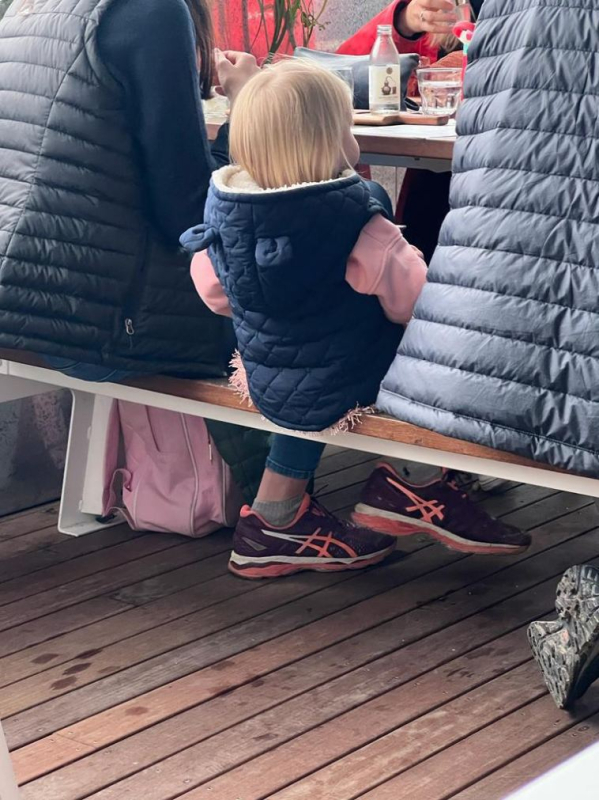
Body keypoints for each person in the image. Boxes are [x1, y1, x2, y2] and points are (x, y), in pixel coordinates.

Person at [182, 60, 529, 580]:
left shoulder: (225, 214)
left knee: (314, 376)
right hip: (346, 377)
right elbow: (414, 303)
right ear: (330, 142)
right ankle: (416, 483)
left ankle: (281, 516)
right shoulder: (357, 219)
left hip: (263, 373)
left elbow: (213, 294)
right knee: (428, 352)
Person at [0, 0, 258, 382]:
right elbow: (191, 218)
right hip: (101, 327)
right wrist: (248, 104)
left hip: (23, 303)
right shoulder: (153, 11)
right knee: (320, 301)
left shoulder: (25, 8)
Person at [338, 0, 485, 263]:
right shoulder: (441, 11)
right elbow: (343, 73)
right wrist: (403, 22)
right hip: (436, 181)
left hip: (497, 181)